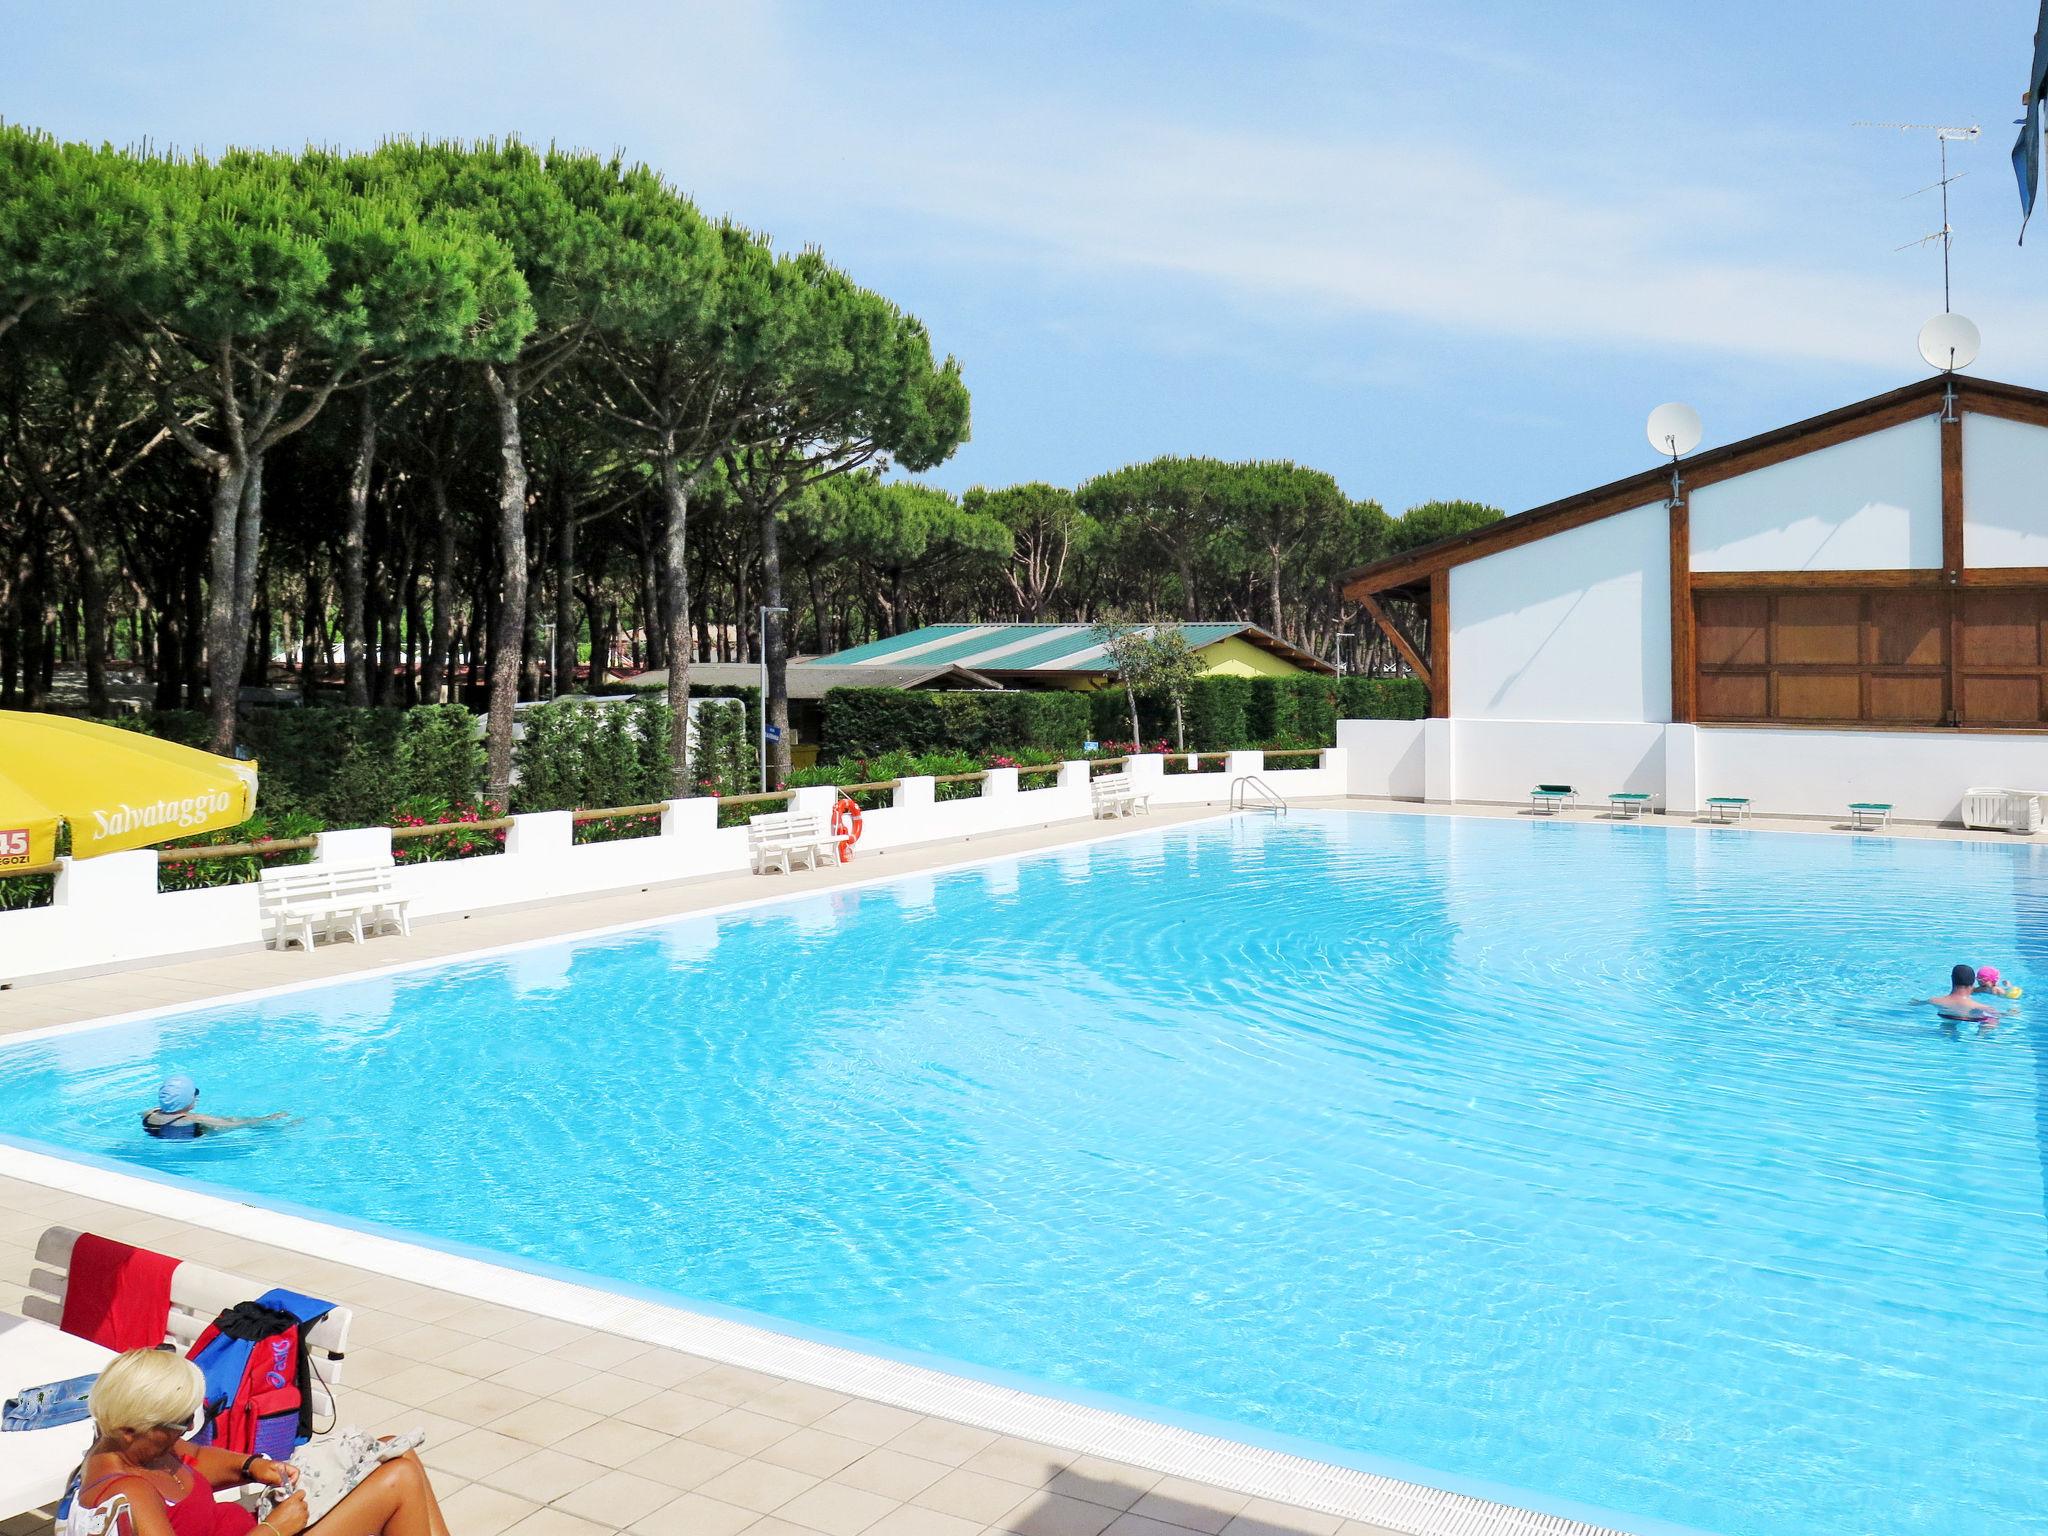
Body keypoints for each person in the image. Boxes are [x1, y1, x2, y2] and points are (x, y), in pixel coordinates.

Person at [67, 1349, 450, 1536]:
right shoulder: (129, 1493)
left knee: (390, 1449)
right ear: (132, 1427)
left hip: (259, 1527)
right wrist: (275, 1530)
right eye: (178, 1422)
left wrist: (252, 1466)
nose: (187, 1428)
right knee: (399, 1478)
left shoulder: (141, 1446)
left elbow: (197, 1457)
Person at [142, 1076, 287, 1141]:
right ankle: (280, 1128)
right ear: (186, 1099)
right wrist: (268, 1119)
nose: (196, 1096)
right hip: (193, 1142)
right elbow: (236, 1125)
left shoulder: (148, 1114)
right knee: (235, 1123)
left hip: (162, 1136)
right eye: (194, 1093)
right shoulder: (195, 1119)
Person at [1919, 964, 2007, 1029]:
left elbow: (1913, 1004)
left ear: (1952, 979)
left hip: (1946, 1015)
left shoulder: (1934, 1001)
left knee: (1948, 1026)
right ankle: (1980, 1036)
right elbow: (2000, 1016)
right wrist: (2012, 1013)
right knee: (1992, 1020)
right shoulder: (1984, 1008)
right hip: (1975, 1018)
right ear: (1973, 982)